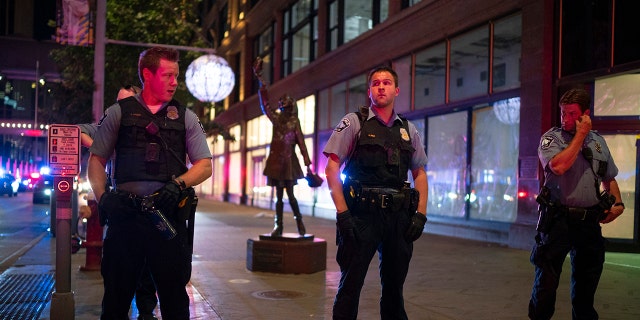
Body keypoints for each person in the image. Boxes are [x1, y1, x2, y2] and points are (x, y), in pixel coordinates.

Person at [88, 47, 212, 320]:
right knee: (116, 300)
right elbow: (96, 161)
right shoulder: (118, 113)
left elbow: (204, 165)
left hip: (166, 219)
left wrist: (178, 185)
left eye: (176, 76)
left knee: (174, 300)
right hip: (126, 219)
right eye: (168, 75)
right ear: (147, 75)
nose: (174, 82)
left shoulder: (185, 117)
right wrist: (103, 198)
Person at [323, 65, 428, 319]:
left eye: (387, 83)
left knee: (394, 289)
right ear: (370, 90)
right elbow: (331, 169)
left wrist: (420, 215)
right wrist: (343, 215)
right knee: (350, 285)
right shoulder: (354, 122)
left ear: (397, 90)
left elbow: (420, 174)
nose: (381, 87)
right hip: (361, 217)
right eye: (376, 83)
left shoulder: (409, 130)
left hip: (398, 219)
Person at [529, 88, 625, 320]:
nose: (565, 118)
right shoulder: (551, 138)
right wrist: (580, 136)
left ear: (585, 114)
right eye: (563, 113)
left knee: (586, 284)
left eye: (571, 113)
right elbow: (558, 167)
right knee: (546, 283)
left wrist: (619, 205)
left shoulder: (599, 143)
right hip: (557, 221)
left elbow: (608, 178)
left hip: (589, 223)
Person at [78, 85, 159, 320]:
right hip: (118, 206)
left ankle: (146, 312)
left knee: (146, 267)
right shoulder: (109, 127)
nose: (120, 108)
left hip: (147, 206)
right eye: (118, 102)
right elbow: (76, 131)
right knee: (116, 270)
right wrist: (101, 147)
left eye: (127, 102)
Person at [252, 57, 311, 236]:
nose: (282, 105)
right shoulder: (276, 119)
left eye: (284, 103)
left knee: (291, 197)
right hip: (277, 162)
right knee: (278, 197)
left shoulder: (294, 121)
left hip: (289, 162)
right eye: (281, 103)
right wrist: (261, 81)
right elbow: (265, 106)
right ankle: (278, 226)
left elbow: (300, 141)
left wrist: (307, 160)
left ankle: (299, 222)